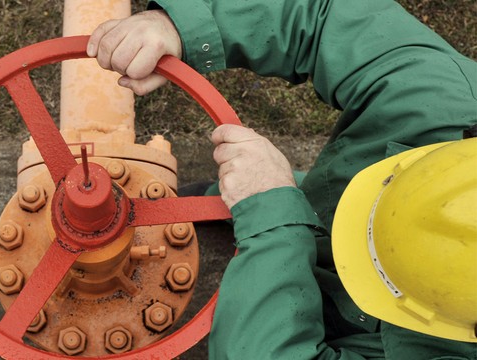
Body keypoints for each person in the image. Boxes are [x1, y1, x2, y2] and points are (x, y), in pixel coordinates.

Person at [88, 0, 477, 358]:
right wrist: (179, 27)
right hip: (316, 207)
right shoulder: (444, 105)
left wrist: (271, 216)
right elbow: (322, 15)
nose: (360, 242)